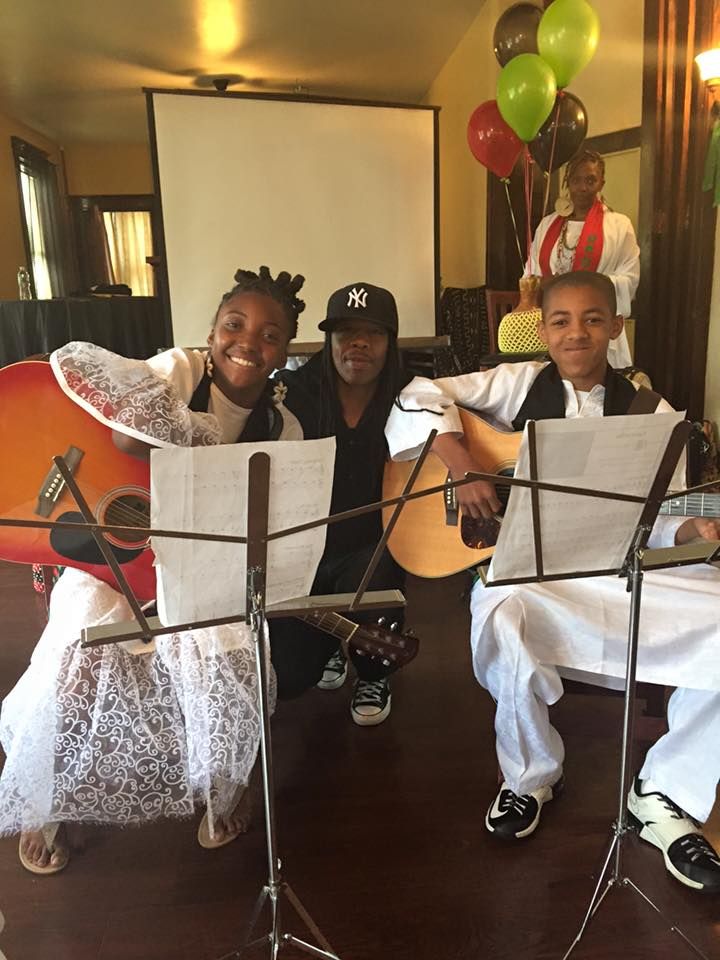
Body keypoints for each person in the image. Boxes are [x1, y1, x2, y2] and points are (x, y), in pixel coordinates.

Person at [385, 271, 720, 893]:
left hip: (613, 574)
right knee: (502, 608)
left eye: (593, 319)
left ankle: (666, 794)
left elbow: (662, 519)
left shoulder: (652, 412)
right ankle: (530, 776)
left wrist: (692, 531)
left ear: (615, 327)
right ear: (542, 329)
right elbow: (416, 394)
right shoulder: (514, 385)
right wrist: (463, 467)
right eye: (561, 320)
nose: (576, 333)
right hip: (533, 573)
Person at [0, 266, 306, 873]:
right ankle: (44, 798)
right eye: (234, 324)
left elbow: (264, 526)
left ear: (285, 353)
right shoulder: (178, 371)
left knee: (228, 651)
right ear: (211, 333)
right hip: (115, 561)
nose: (248, 341)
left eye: (270, 335)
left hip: (196, 570)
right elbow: (126, 442)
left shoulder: (282, 427)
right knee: (76, 650)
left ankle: (223, 787)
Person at [269, 282, 411, 725]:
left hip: (372, 544)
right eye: (346, 331)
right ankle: (331, 641)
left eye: (374, 332)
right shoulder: (291, 393)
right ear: (329, 339)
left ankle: (372, 673)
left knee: (381, 572)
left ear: (390, 342)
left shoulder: (411, 394)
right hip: (303, 547)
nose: (359, 343)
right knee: (289, 678)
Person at [525, 149, 640, 369]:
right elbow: (530, 275)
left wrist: (587, 285)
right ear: (567, 182)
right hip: (555, 326)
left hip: (594, 326)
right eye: (576, 180)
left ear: (601, 183)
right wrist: (542, 284)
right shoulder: (547, 225)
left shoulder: (618, 225)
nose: (583, 187)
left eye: (590, 180)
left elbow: (630, 279)